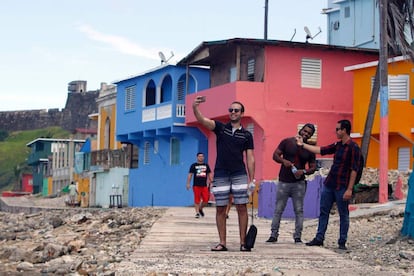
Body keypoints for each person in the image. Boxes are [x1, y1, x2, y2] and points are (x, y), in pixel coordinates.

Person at [192, 96, 255, 252]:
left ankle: (243, 243)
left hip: (239, 173)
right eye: (231, 110)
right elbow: (203, 120)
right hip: (221, 173)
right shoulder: (221, 128)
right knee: (220, 208)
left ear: (242, 113)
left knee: (241, 207)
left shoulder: (247, 135)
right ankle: (222, 243)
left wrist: (252, 179)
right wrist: (195, 108)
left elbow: (250, 157)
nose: (233, 112)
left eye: (236, 110)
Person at [296, 119, 361, 250]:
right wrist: (302, 145)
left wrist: (349, 189)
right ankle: (319, 238)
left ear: (344, 130)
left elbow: (355, 169)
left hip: (342, 186)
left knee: (343, 214)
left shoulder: (353, 148)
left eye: (338, 129)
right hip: (330, 183)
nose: (336, 131)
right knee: (324, 211)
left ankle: (342, 241)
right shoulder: (338, 145)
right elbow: (321, 150)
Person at [266, 123, 317, 244]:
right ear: (300, 130)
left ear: (311, 136)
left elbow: (313, 167)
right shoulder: (287, 142)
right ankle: (273, 235)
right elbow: (275, 155)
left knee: (299, 210)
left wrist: (303, 171)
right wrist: (284, 161)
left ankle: (297, 236)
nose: (305, 134)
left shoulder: (309, 149)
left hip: (299, 183)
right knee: (278, 209)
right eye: (305, 131)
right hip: (284, 181)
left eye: (309, 133)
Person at [186, 152, 213, 218]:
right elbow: (190, 175)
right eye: (199, 156)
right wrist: (188, 183)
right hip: (196, 185)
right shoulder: (193, 165)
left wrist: (211, 182)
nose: (201, 157)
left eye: (202, 156)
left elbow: (209, 174)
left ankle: (200, 208)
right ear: (197, 157)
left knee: (206, 200)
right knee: (197, 199)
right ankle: (197, 213)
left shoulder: (206, 165)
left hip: (204, 185)